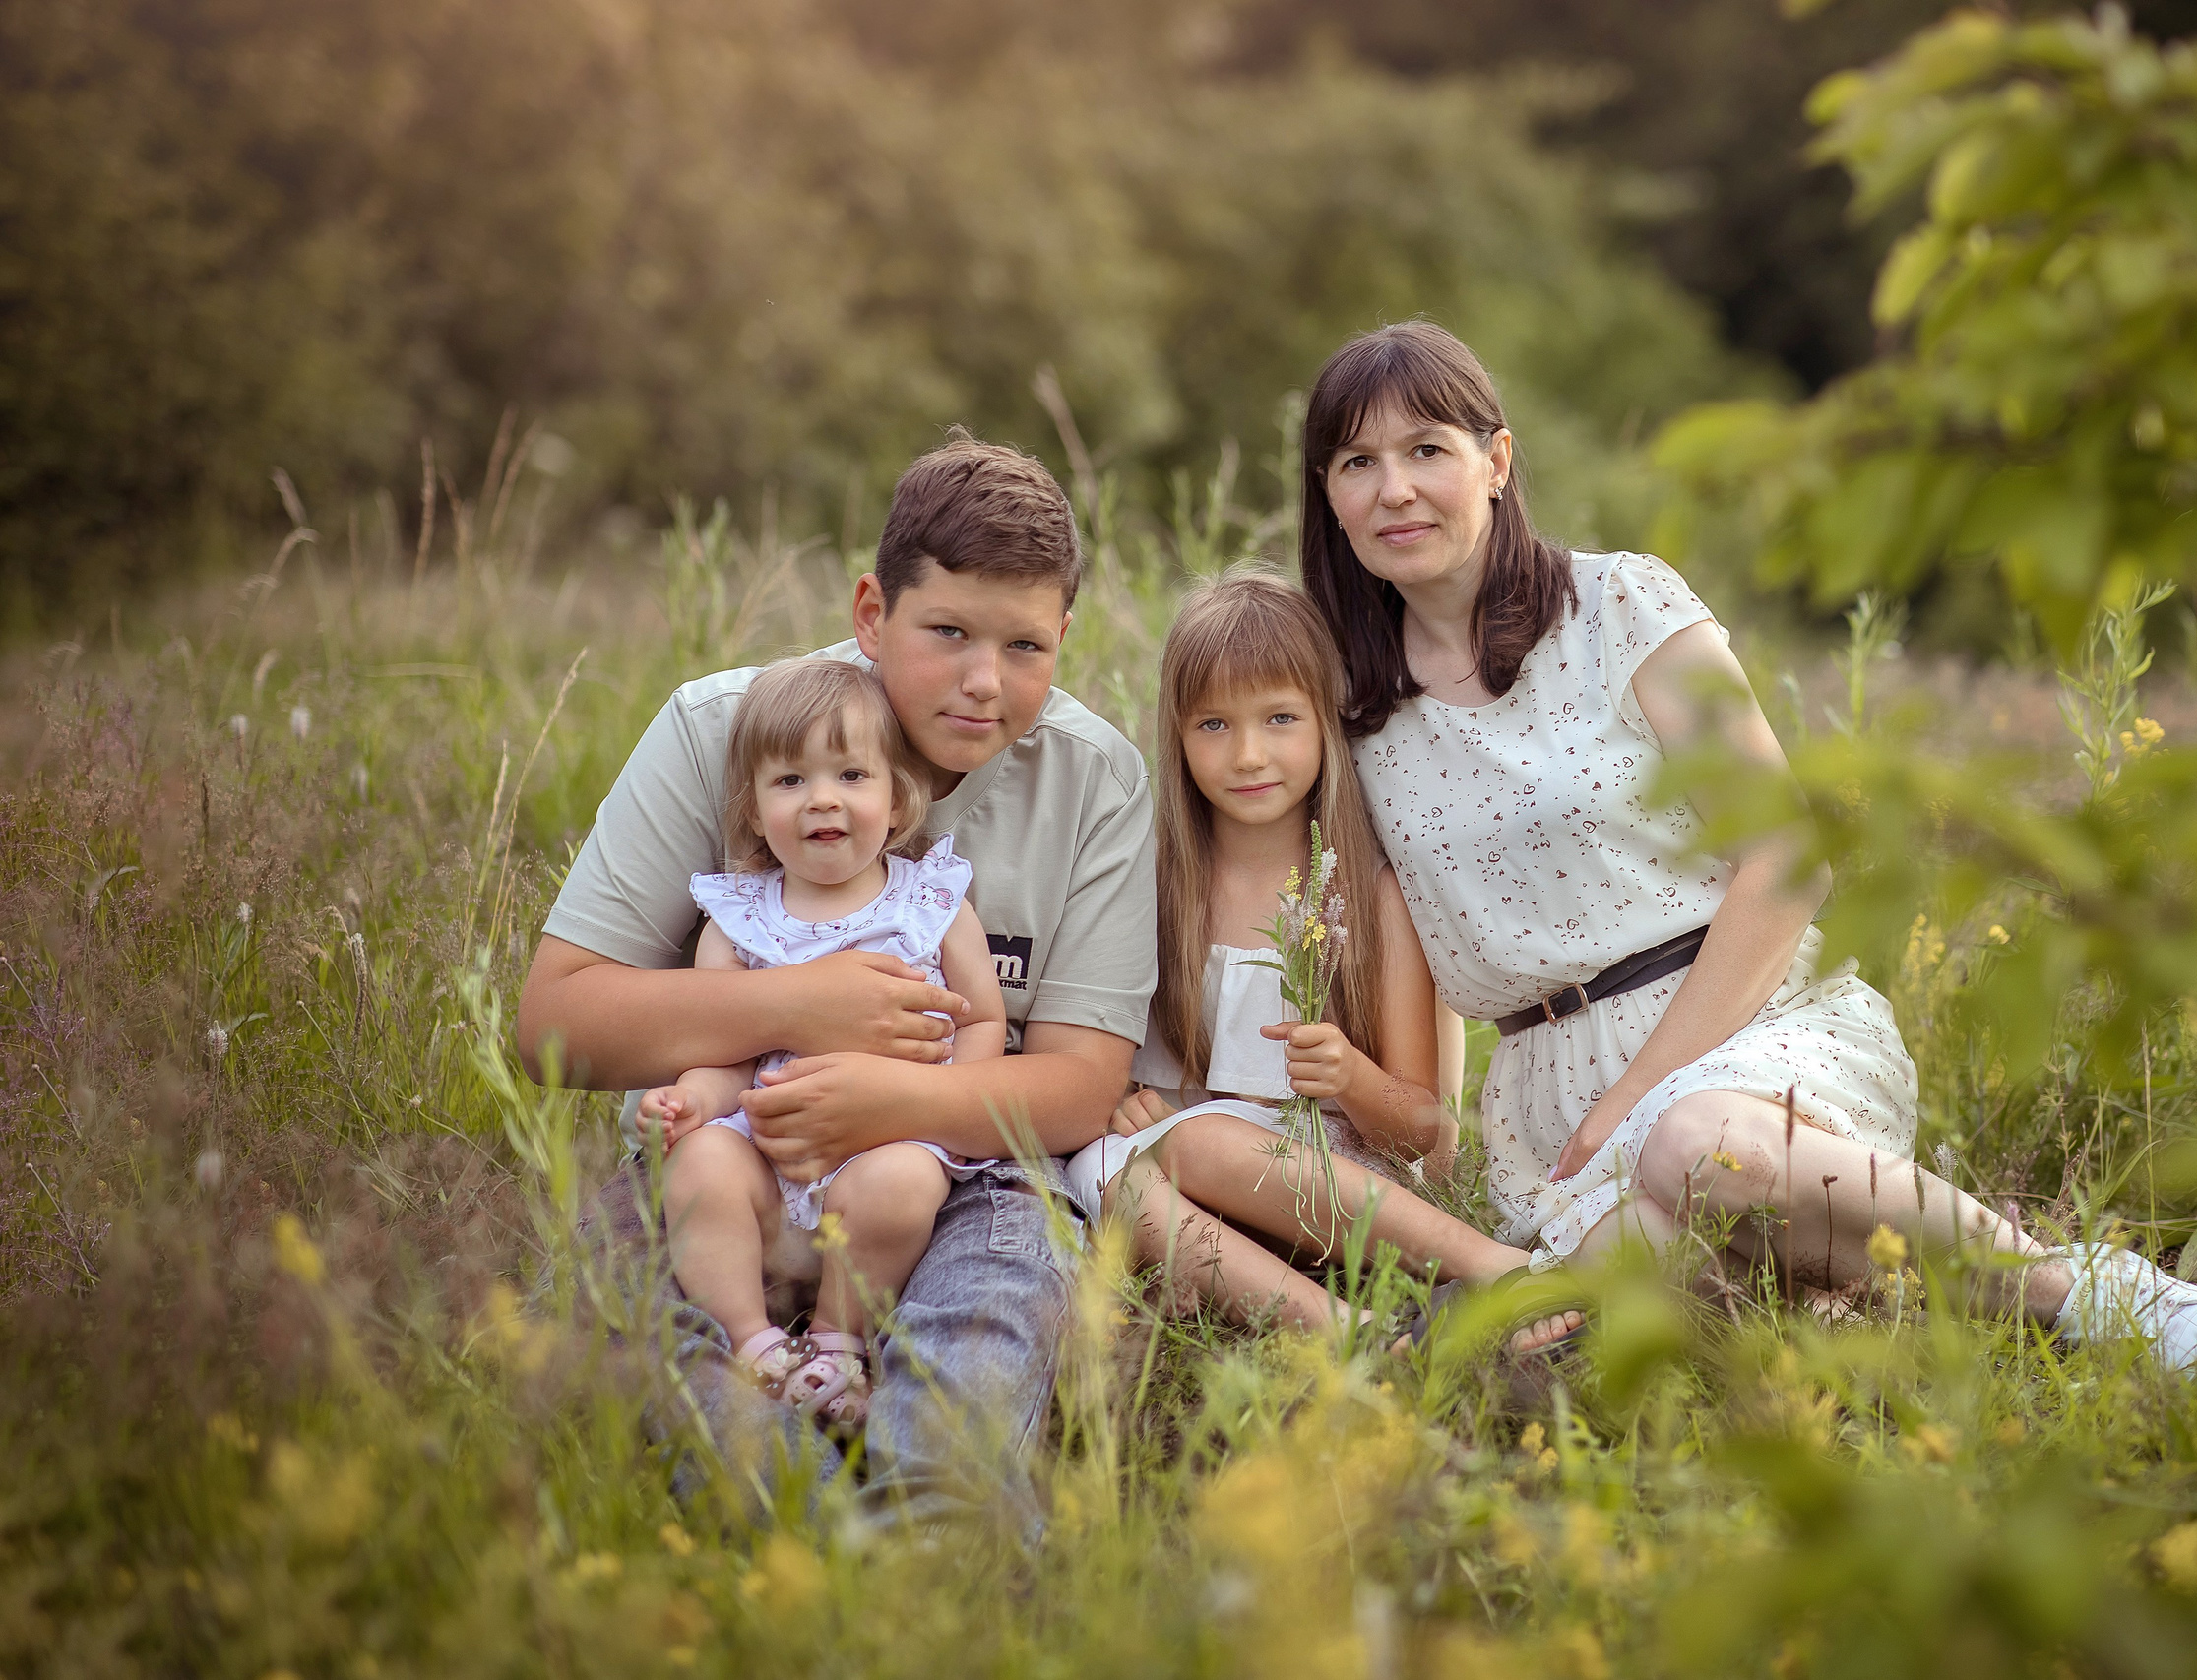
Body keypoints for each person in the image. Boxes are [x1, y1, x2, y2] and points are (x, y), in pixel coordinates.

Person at [1298, 321, 2197, 1374]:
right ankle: (1838, 1298)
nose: (1394, 490)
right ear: (1328, 496)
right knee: (1551, 1338)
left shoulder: (1618, 605)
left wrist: (1635, 1099)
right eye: (1356, 463)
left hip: (1743, 1021)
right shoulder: (1353, 711)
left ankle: (2087, 1292)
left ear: (1497, 459)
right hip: (1545, 1106)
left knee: (1697, 1145)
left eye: (1426, 448)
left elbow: (1787, 859)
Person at [520, 436, 1156, 1523]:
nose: (982, 681)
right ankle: (813, 1555)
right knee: (663, 1361)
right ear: (872, 612)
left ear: (1062, 639)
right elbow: (551, 1024)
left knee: (975, 1380)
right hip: (722, 1159)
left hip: (966, 1177)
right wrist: (794, 1006)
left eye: (1025, 646)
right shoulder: (725, 727)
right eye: (945, 631)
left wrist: (896, 1100)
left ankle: (938, 1539)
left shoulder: (1093, 778)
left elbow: (1081, 1084)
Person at [1064, 571, 1581, 1351]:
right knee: (1103, 1169)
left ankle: (1498, 1267)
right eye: (1213, 725)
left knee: (1197, 1142)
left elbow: (1427, 1134)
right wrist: (1136, 1105)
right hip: (1207, 1202)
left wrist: (1349, 1077)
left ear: (1325, 722)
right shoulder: (1156, 885)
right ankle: (1354, 1339)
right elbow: (1128, 1075)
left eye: (1279, 718)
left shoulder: (1369, 899)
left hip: (1343, 1192)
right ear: (1176, 731)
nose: (1248, 754)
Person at [639, 656, 1006, 1436]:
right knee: (701, 1162)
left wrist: (949, 1106)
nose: (823, 799)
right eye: (790, 780)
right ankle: (753, 1340)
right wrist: (691, 1102)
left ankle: (839, 1342)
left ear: (897, 795)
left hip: (885, 1145)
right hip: (768, 1163)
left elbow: (980, 1018)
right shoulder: (738, 919)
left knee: (904, 1179)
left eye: (850, 773)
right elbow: (721, 1048)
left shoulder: (929, 901)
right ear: (753, 803)